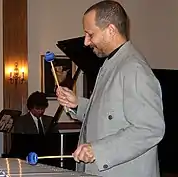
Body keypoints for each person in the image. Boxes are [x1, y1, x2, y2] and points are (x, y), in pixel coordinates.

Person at [56, 1, 165, 177]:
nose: (86, 41)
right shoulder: (110, 64)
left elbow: (150, 129)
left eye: (90, 34)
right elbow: (109, 117)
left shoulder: (133, 68)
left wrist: (98, 150)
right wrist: (77, 105)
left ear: (111, 30)